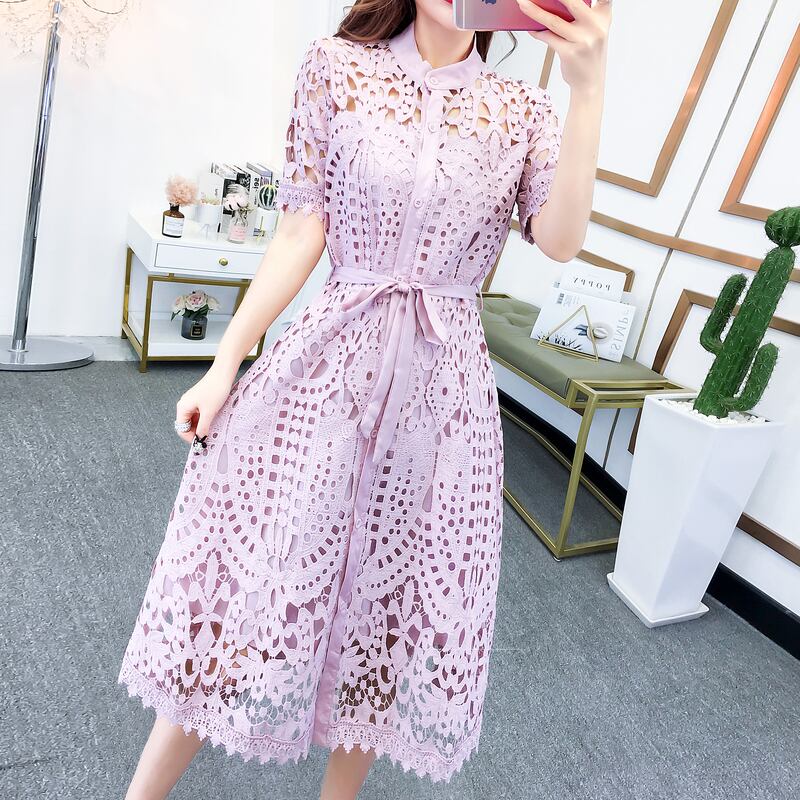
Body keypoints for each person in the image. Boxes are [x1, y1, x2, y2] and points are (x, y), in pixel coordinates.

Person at [119, 1, 611, 797]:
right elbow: (299, 231)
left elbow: (559, 239)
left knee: (393, 616)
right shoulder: (337, 68)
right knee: (254, 587)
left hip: (442, 398)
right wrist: (225, 362)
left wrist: (588, 89)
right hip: (329, 369)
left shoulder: (522, 109)